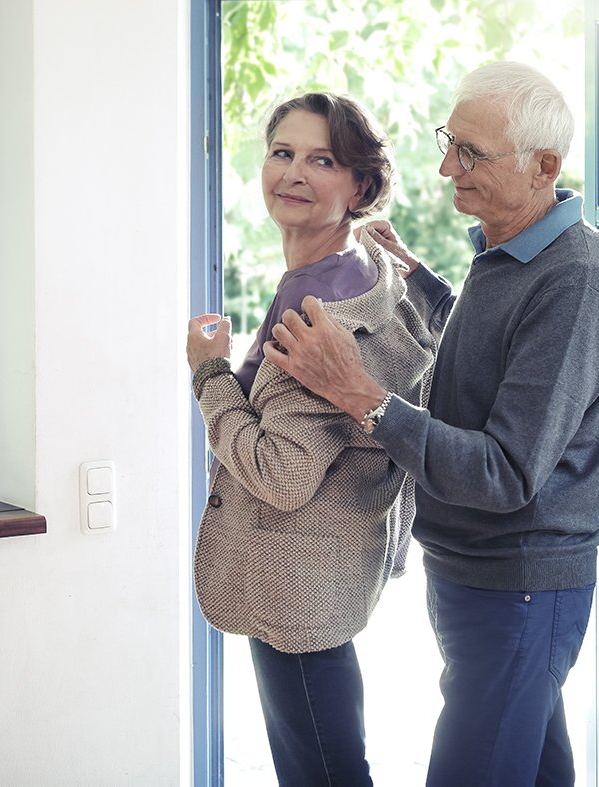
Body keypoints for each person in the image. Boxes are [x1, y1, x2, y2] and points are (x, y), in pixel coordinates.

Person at [263, 62, 599, 786]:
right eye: (448, 142)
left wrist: (359, 394)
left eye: (470, 153)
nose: (444, 168)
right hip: (479, 580)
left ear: (543, 167)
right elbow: (489, 351)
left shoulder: (576, 277)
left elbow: (505, 472)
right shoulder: (508, 253)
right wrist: (421, 279)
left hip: (519, 590)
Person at [185, 92, 437, 786]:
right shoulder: (347, 267)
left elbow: (279, 472)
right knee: (326, 755)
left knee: (321, 770)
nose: (292, 174)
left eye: (321, 160)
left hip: (294, 581)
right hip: (321, 576)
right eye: (281, 153)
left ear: (359, 184)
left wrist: (206, 371)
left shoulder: (318, 303)